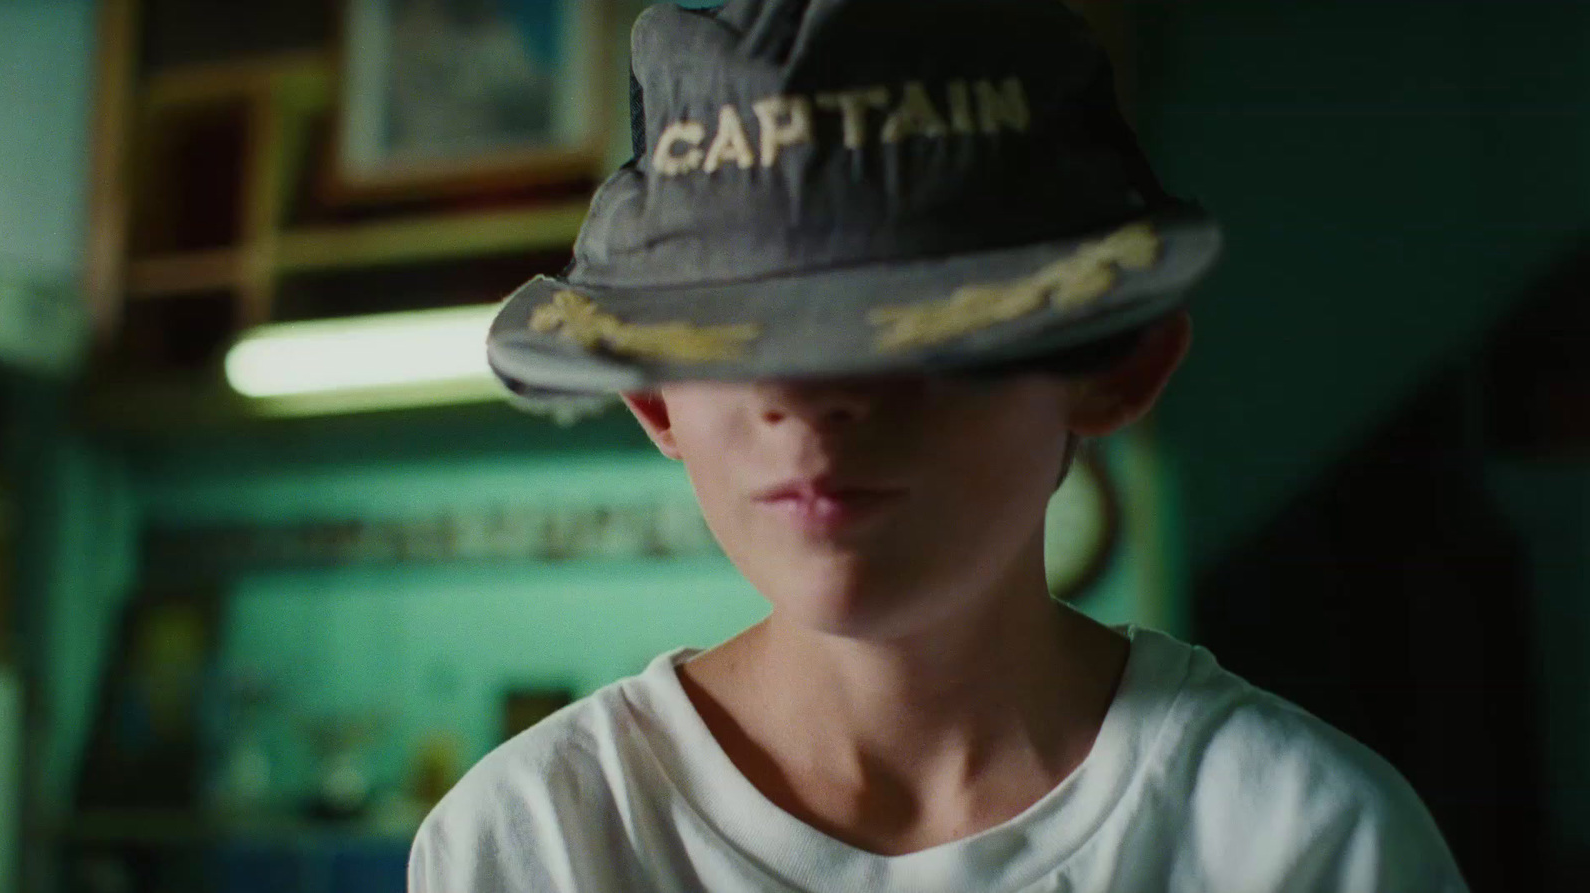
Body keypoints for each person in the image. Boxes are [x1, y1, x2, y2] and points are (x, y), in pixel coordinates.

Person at [409, 0, 1469, 889]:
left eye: (908, 325)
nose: (807, 399)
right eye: (732, 339)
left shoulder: (1297, 838)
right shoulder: (534, 842)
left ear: (1115, 367)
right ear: (655, 403)